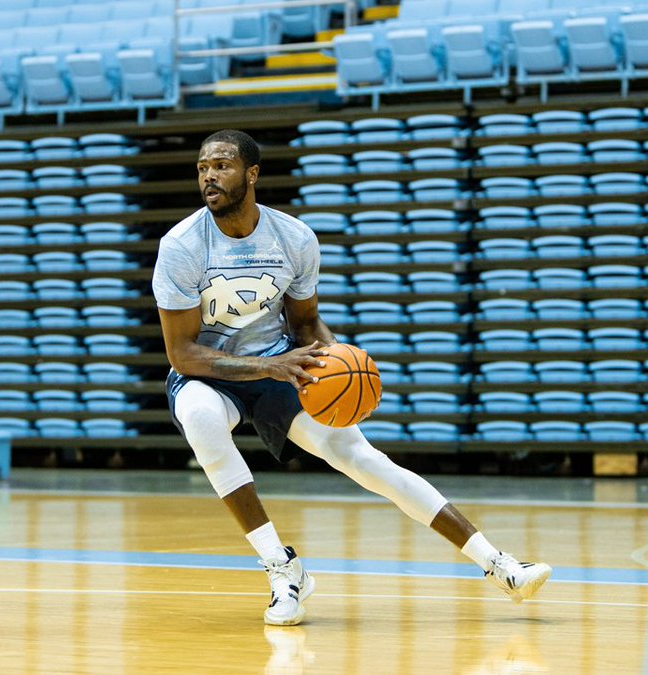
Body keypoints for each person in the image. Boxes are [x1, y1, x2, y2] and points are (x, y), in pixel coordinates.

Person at [152, 129, 551, 626]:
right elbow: (183, 353)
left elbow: (303, 324)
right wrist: (267, 366)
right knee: (201, 419)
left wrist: (337, 357)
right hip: (210, 372)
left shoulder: (294, 239)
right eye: (202, 167)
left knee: (362, 458)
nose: (209, 175)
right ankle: (283, 569)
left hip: (280, 362)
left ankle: (498, 564)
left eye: (223, 165)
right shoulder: (181, 246)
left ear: (252, 174)